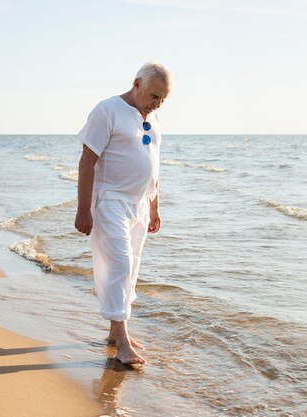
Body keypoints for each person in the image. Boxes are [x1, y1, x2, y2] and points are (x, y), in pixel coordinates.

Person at [74, 62, 171, 365]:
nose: (157, 104)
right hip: (110, 199)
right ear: (137, 83)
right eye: (154, 96)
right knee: (119, 263)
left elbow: (153, 169)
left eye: (163, 100)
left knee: (132, 267)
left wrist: (154, 208)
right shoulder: (107, 110)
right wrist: (82, 209)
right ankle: (123, 342)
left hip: (139, 204)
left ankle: (115, 333)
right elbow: (86, 161)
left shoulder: (153, 123)